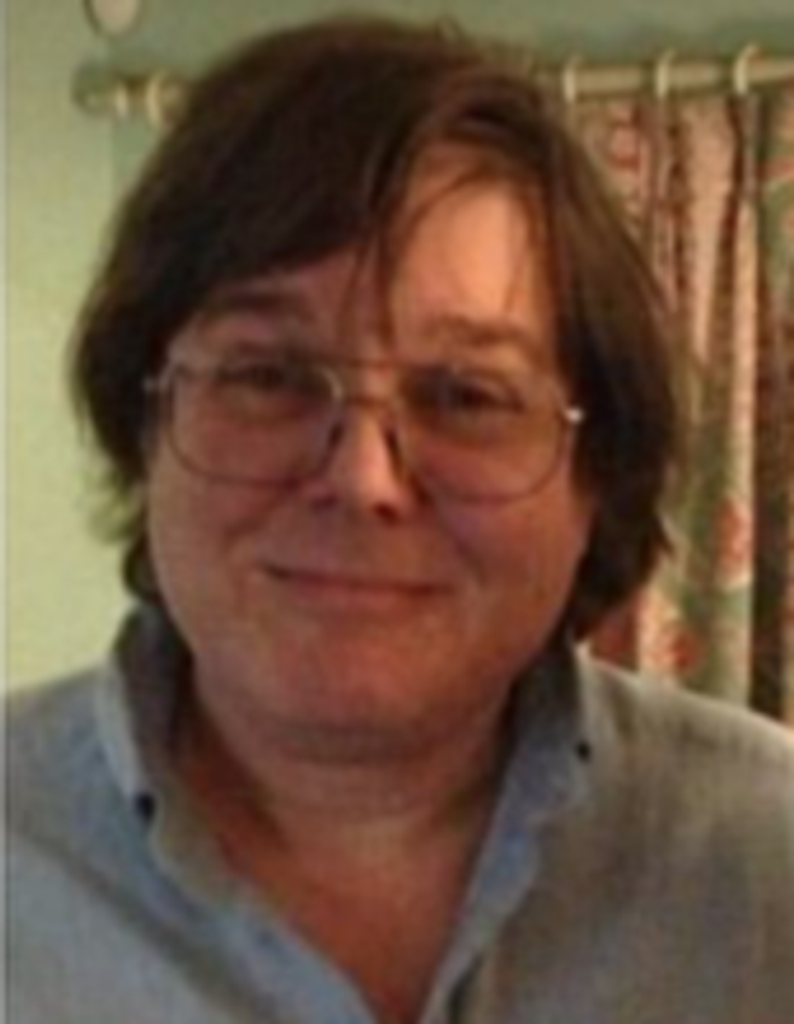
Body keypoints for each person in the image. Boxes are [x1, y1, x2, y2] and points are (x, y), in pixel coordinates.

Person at [8, 15, 794, 1024]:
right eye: (268, 375)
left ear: (594, 473)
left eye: (467, 395)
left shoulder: (763, 867)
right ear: (145, 417)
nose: (362, 478)